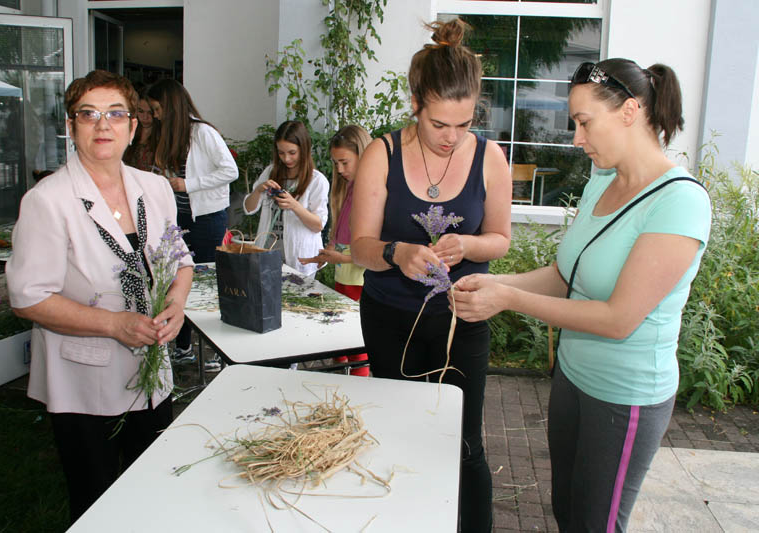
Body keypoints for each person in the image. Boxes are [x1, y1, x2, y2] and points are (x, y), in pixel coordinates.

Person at [451, 58, 712, 532]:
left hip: (624, 396)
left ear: (631, 111)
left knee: (597, 524)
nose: (576, 138)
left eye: (584, 122)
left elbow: (618, 318)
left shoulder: (680, 202)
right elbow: (564, 273)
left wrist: (508, 300)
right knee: (568, 511)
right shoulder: (602, 181)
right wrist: (496, 284)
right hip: (573, 379)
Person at [5, 70, 194, 523]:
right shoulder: (48, 200)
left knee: (152, 490)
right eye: (88, 114)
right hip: (85, 382)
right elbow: (27, 298)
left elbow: (181, 260)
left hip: (152, 372)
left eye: (115, 114)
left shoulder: (155, 188)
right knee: (97, 502)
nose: (102, 125)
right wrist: (113, 324)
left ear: (133, 127)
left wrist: (177, 304)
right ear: (71, 127)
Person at [351, 19, 512, 532]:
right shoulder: (382, 153)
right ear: (416, 102)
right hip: (389, 318)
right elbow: (359, 246)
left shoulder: (490, 157)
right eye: (439, 124)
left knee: (465, 445)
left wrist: (468, 244)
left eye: (464, 124)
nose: (451, 137)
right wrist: (397, 252)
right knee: (396, 438)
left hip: (461, 320)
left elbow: (501, 240)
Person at [147, 79, 238, 371]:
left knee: (207, 284)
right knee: (179, 282)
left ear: (171, 106)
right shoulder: (169, 133)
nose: (155, 114)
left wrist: (188, 184)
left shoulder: (203, 132)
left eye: (158, 108)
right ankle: (184, 347)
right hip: (180, 219)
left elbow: (230, 171)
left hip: (208, 219)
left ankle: (215, 351)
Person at [300, 125, 372, 376]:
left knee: (357, 346)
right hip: (344, 279)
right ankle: (341, 383)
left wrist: (339, 256)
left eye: (344, 162)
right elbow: (341, 233)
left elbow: (377, 251)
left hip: (361, 282)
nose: (339, 170)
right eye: (335, 163)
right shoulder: (350, 187)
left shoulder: (373, 191)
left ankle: (356, 394)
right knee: (340, 338)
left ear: (363, 155)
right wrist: (328, 250)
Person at [243, 120, 329, 277]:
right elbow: (249, 208)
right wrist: (258, 190)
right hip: (268, 253)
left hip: (299, 259)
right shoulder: (271, 172)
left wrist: (294, 206)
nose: (286, 159)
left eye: (292, 152)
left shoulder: (316, 180)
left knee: (296, 300)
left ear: (304, 149)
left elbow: (318, 225)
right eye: (281, 153)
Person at [122, 86, 158, 172]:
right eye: (140, 111)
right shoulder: (128, 131)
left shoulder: (162, 136)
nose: (145, 117)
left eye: (150, 112)